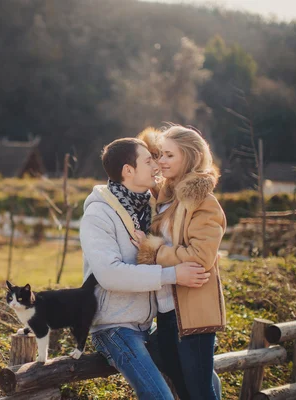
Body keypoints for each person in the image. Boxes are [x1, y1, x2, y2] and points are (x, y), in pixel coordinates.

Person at [80, 137, 211, 399]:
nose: (156, 165)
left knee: (207, 384)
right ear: (128, 171)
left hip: (147, 325)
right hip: (113, 326)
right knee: (159, 396)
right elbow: (109, 274)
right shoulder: (98, 214)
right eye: (149, 160)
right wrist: (172, 275)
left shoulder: (149, 208)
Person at [135, 125, 227, 400]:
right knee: (183, 389)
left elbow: (201, 257)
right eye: (160, 155)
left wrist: (155, 250)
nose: (161, 161)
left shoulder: (203, 202)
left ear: (189, 157)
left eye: (169, 156)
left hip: (193, 313)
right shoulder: (164, 199)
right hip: (165, 310)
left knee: (199, 393)